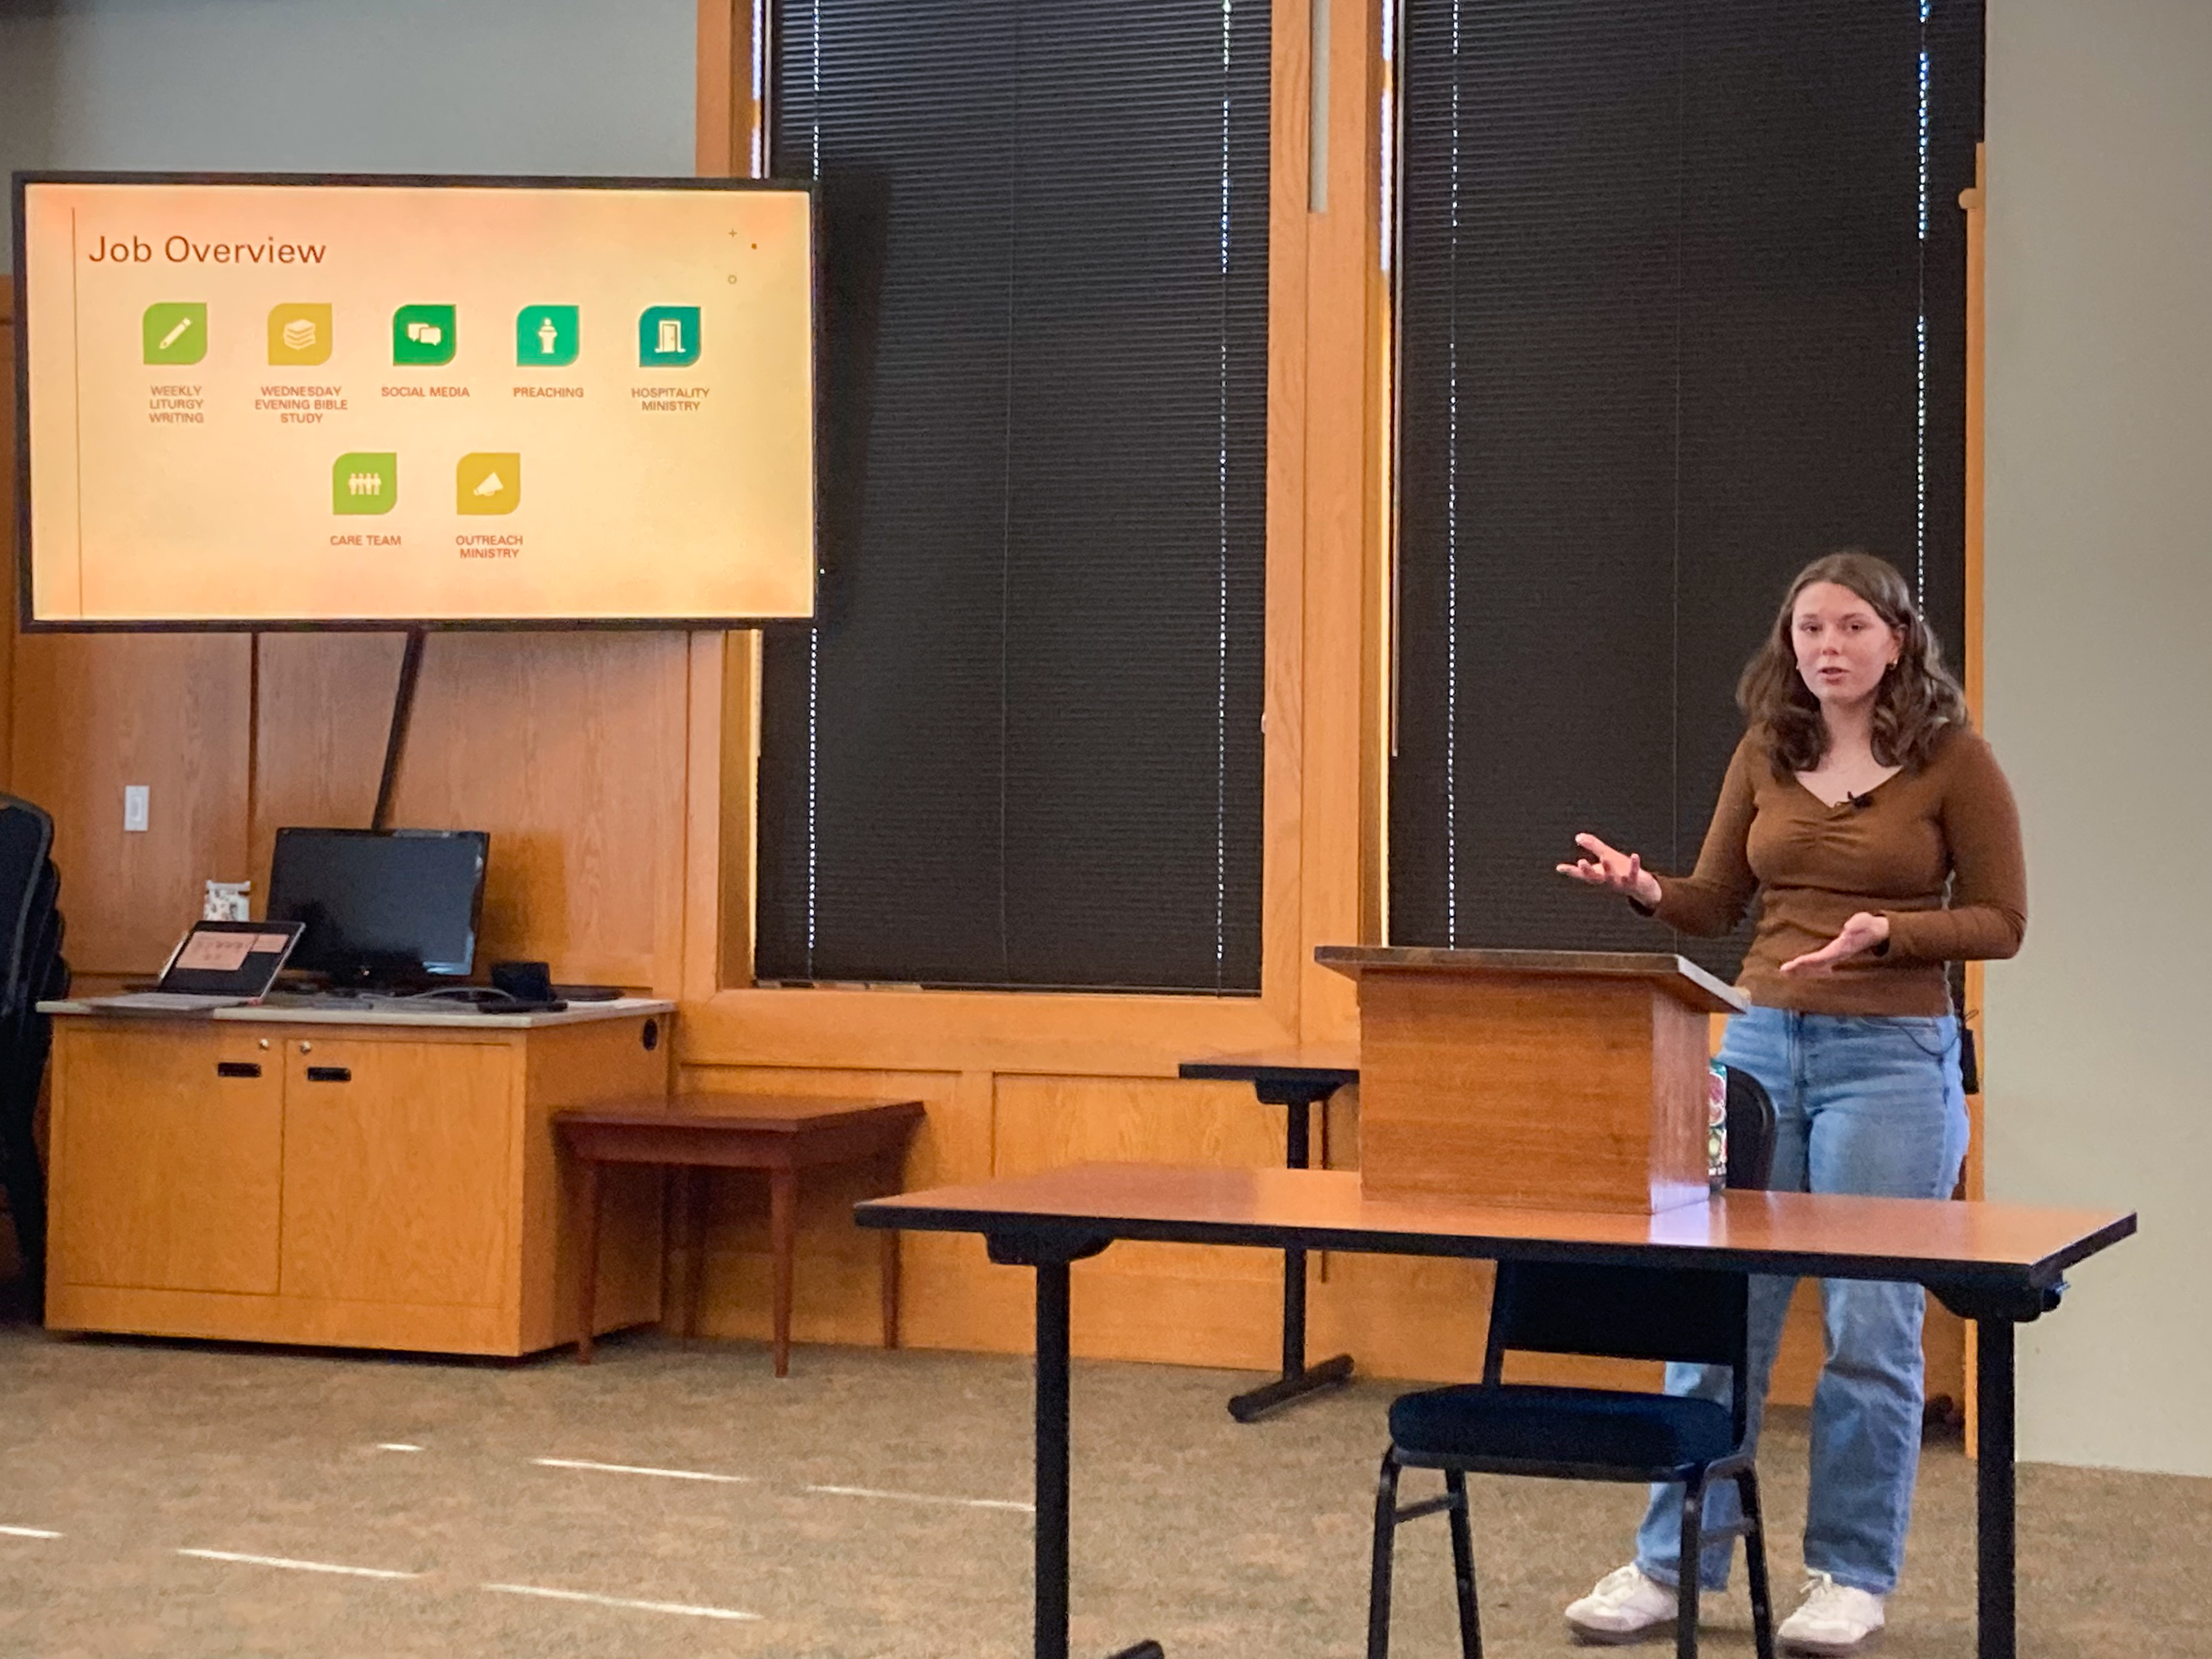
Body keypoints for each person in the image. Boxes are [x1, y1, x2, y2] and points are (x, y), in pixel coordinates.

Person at [1554, 550, 2025, 1656]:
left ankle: (1850, 1574)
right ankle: (1674, 1562)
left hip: (1892, 1056)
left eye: (1850, 626)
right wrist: (1643, 890)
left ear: (1896, 639)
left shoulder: (1954, 762)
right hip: (1758, 1045)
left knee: (1870, 1323)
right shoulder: (1768, 750)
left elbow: (2002, 919)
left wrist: (1890, 932)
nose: (1826, 646)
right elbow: (1716, 903)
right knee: (1716, 1309)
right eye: (1808, 628)